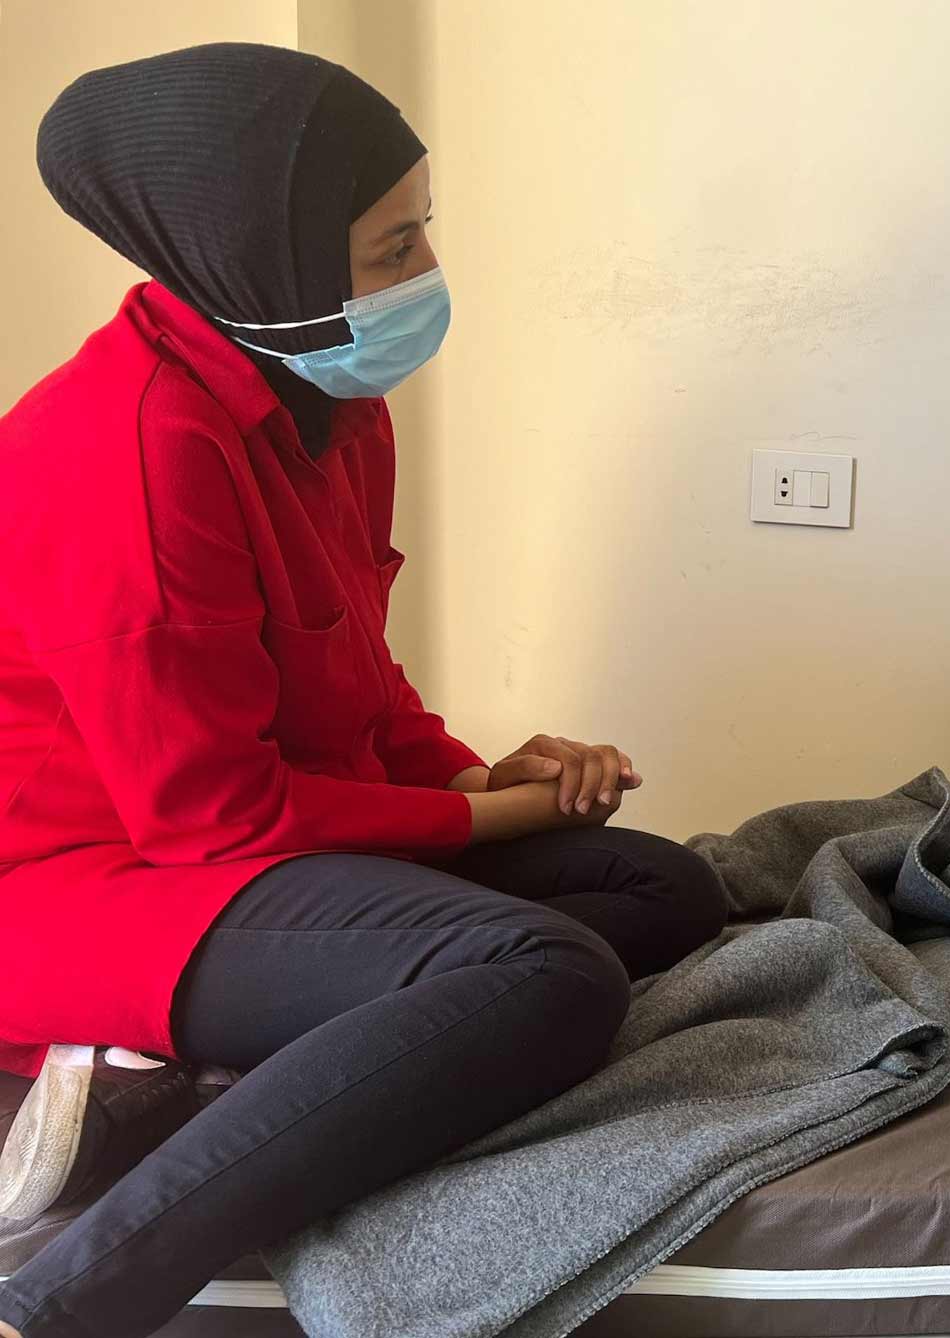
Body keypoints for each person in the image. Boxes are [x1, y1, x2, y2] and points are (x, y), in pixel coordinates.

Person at [0, 44, 727, 1338]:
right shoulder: (128, 446)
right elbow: (213, 819)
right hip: (87, 882)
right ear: (259, 258)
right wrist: (493, 819)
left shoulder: (328, 393)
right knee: (549, 972)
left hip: (234, 851)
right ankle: (62, 1299)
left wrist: (476, 772)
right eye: (394, 249)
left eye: (423, 230)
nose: (429, 273)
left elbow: (360, 687)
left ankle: (239, 1067)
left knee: (662, 887)